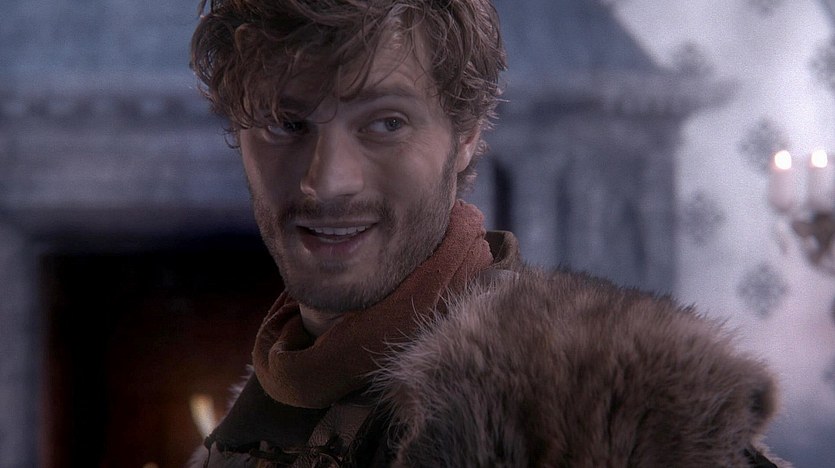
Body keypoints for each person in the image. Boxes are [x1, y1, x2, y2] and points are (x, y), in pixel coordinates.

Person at [188, 0, 788, 466]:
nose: (327, 182)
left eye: (386, 123)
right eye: (286, 122)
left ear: (466, 135)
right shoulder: (246, 430)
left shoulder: (612, 409)